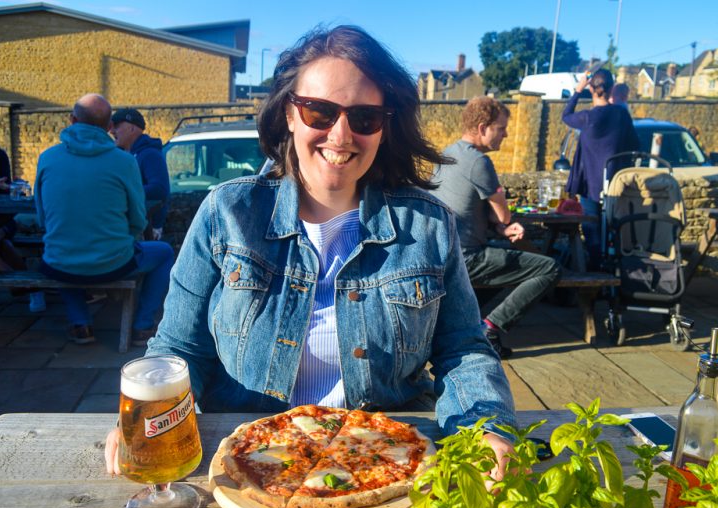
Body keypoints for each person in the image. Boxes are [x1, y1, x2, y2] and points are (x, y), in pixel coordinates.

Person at [105, 26, 517, 480]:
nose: (340, 135)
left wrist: (485, 427)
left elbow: (463, 347)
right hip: (249, 454)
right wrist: (151, 421)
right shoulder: (228, 212)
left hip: (386, 457)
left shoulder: (427, 224)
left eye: (364, 118)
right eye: (320, 112)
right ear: (290, 114)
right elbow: (180, 347)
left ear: (384, 127)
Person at [34, 93, 174, 345]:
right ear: (109, 126)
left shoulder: (47, 158)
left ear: (72, 119)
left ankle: (80, 323)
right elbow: (137, 219)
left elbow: (43, 219)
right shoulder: (124, 162)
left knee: (58, 254)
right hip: (113, 261)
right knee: (164, 252)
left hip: (62, 261)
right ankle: (143, 326)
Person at [431, 96, 561, 358]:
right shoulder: (479, 162)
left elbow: (470, 208)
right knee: (549, 268)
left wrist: (499, 229)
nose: (506, 134)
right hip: (467, 258)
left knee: (510, 267)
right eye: (501, 128)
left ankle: (470, 325)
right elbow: (504, 215)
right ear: (482, 128)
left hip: (440, 255)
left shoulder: (446, 154)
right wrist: (502, 225)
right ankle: (490, 328)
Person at [563, 69, 639, 269]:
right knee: (616, 230)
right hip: (616, 184)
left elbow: (566, 115)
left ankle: (596, 268)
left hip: (589, 184)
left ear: (591, 88)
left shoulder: (587, 117)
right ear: (612, 89)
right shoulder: (621, 115)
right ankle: (613, 269)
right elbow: (635, 145)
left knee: (591, 230)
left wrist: (577, 90)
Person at [110, 108, 170, 240]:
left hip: (146, 230)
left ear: (132, 129)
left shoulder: (150, 154)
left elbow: (160, 189)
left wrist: (124, 192)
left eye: (117, 126)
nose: (112, 131)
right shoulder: (122, 155)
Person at [0, 146, 46, 312]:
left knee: (2, 239)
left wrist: (5, 187)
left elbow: (6, 192)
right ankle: (27, 285)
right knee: (3, 245)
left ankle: (22, 283)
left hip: (2, 220)